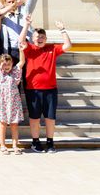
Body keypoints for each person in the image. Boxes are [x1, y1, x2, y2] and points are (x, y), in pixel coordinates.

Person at [19, 17, 72, 153]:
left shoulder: (52, 49)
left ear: (46, 39)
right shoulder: (29, 49)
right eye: (37, 37)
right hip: (33, 90)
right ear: (33, 39)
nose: (40, 39)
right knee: (35, 117)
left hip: (50, 90)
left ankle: (50, 142)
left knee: (50, 118)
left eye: (42, 37)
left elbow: (68, 46)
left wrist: (62, 30)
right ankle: (35, 142)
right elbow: (20, 41)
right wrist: (26, 25)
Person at [0, 38, 27, 155]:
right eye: (4, 64)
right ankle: (2, 144)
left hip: (14, 102)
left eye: (8, 64)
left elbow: (21, 63)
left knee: (14, 124)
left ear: (12, 64)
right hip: (2, 101)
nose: (6, 66)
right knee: (2, 123)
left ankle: (15, 145)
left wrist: (21, 51)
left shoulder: (15, 72)